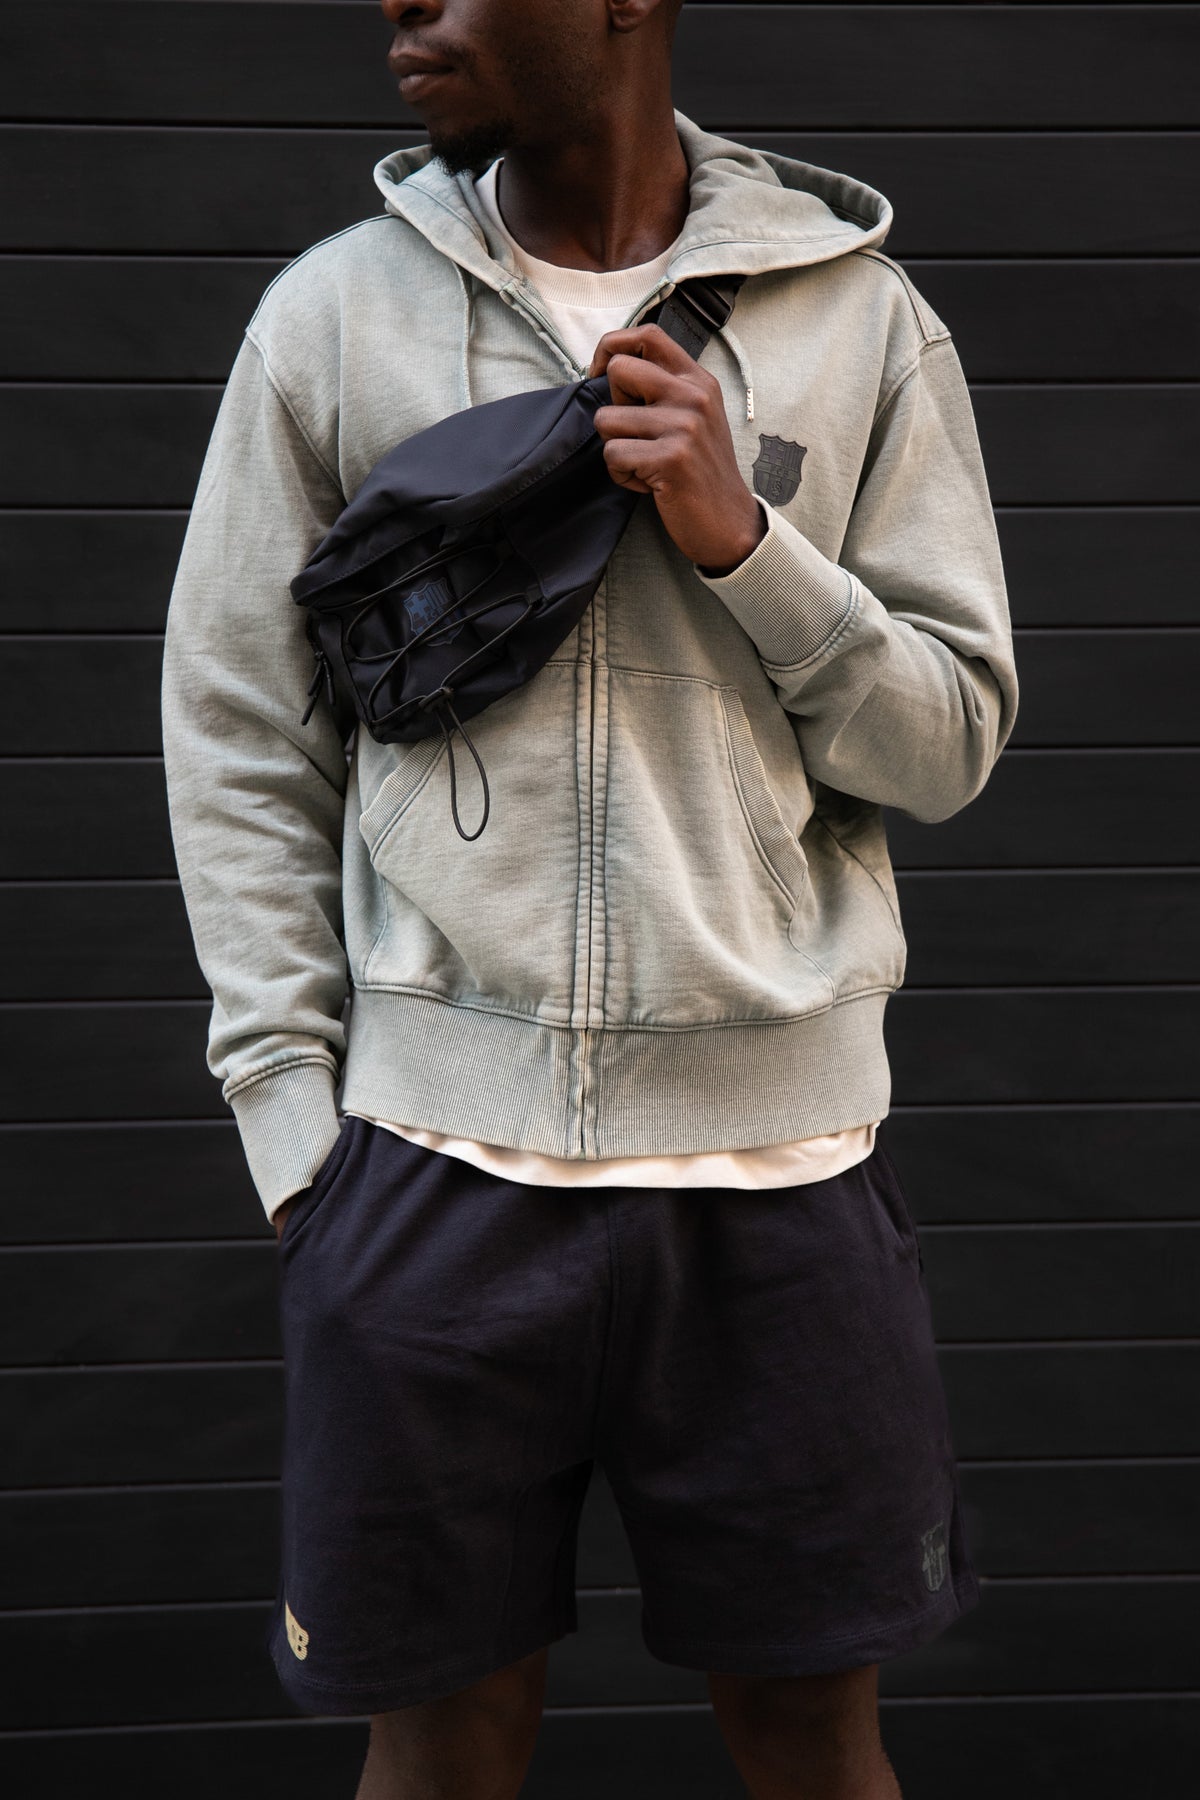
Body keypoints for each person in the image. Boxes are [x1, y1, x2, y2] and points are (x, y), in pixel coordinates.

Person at [161, 1, 1018, 1794]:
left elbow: (947, 745)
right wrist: (294, 1137)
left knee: (812, 1748)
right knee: (442, 1756)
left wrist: (745, 540)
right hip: (426, 1185)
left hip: (782, 1198)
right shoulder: (333, 319)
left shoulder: (859, 324)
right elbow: (240, 738)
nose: (408, 5)